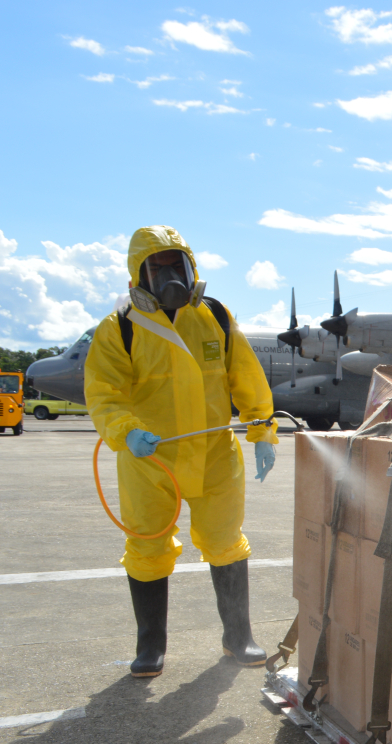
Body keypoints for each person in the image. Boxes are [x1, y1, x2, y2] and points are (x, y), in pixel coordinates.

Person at [85, 225, 279, 679]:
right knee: (147, 545)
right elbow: (104, 393)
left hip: (214, 454)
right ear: (139, 276)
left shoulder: (214, 315)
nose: (171, 277)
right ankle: (150, 645)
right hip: (150, 462)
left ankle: (238, 636)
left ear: (192, 268)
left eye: (179, 266)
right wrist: (126, 431)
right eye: (159, 268)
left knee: (226, 543)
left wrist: (263, 430)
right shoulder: (121, 328)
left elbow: (245, 376)